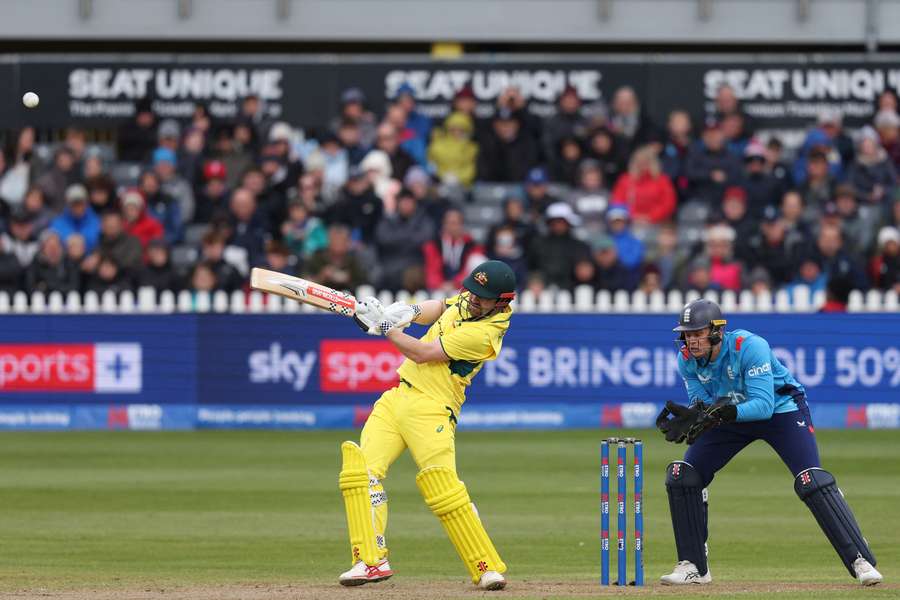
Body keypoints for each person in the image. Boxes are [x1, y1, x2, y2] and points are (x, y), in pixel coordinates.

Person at [656, 299, 883, 586]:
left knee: (811, 481)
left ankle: (859, 560)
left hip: (781, 411)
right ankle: (693, 566)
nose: (691, 340)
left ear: (716, 331)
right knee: (682, 475)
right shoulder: (686, 360)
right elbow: (700, 403)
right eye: (687, 334)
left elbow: (763, 405)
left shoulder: (749, 347)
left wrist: (721, 413)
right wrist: (695, 418)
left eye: (697, 332)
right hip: (731, 417)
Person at [338, 260, 515, 591]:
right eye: (472, 291)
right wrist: (406, 311)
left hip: (433, 410)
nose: (473, 299)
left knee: (444, 490)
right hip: (397, 397)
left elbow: (422, 352)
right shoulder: (469, 300)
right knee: (362, 473)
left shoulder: (485, 334)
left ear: (502, 301)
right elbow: (441, 306)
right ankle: (370, 560)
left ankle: (486, 566)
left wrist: (387, 328)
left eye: (483, 296)